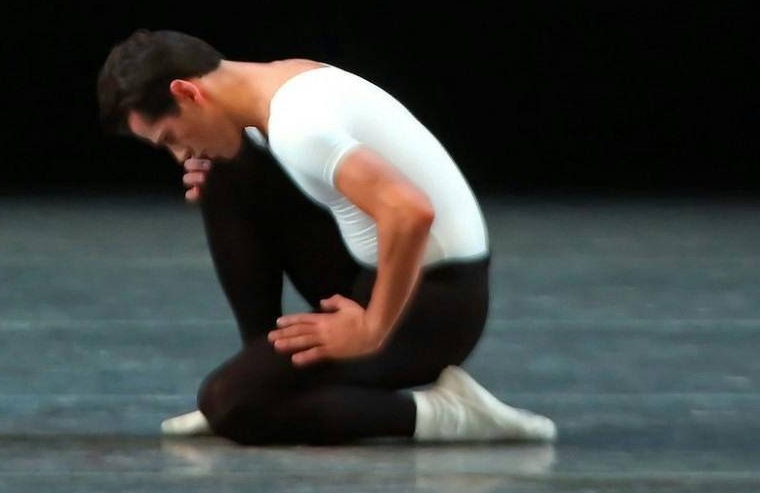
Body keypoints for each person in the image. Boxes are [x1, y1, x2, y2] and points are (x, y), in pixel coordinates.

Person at [100, 28, 555, 445]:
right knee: (224, 174)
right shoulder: (280, 81)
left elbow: (410, 210)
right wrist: (221, 170)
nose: (180, 154)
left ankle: (450, 414)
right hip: (378, 270)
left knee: (229, 405)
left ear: (187, 92)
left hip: (436, 305)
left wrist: (373, 329)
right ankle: (264, 369)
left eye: (170, 138)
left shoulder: (300, 126)